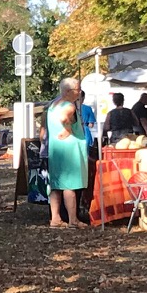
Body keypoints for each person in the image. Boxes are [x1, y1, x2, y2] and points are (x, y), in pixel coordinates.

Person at [45, 77, 89, 228]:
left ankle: (55, 218)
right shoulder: (69, 106)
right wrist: (68, 129)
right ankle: (73, 220)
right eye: (78, 89)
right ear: (69, 91)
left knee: (56, 184)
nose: (80, 92)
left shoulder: (53, 104)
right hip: (70, 150)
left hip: (56, 149)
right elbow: (64, 117)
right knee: (70, 185)